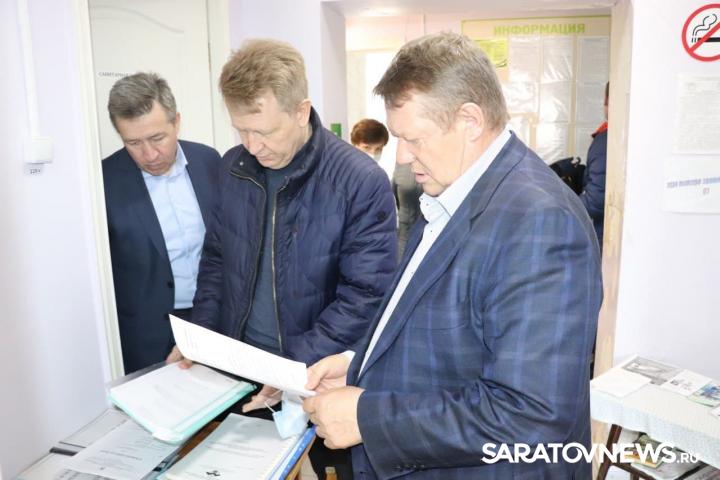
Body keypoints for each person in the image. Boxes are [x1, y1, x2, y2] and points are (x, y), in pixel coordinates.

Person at [303, 32, 603, 479]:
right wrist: (358, 369)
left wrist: (368, 417)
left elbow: (531, 414)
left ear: (470, 120)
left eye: (414, 139)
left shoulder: (539, 221)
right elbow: (442, 339)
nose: (402, 157)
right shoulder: (454, 189)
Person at [186, 39, 398, 478]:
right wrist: (200, 345)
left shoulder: (359, 180)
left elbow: (366, 293)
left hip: (316, 375)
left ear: (301, 111)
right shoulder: (232, 167)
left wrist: (287, 369)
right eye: (241, 130)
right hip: (241, 372)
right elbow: (216, 261)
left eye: (264, 132)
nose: (252, 145)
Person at [102, 72, 221, 374]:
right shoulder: (103, 181)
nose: (149, 154)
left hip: (214, 319)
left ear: (176, 122)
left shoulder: (209, 161)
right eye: (133, 142)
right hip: (146, 333)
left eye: (157, 138)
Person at [580, 82, 609, 252]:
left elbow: (596, 200)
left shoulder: (605, 141)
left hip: (605, 234)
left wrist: (568, 206)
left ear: (607, 102)